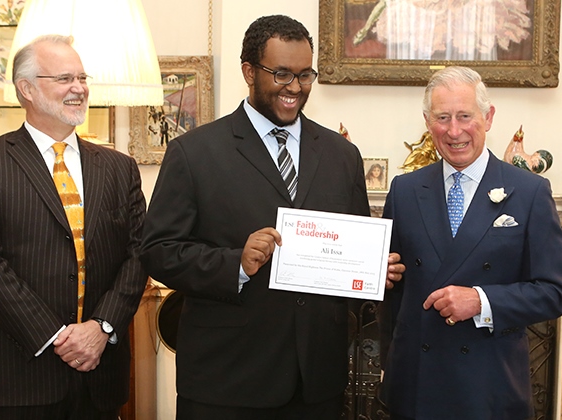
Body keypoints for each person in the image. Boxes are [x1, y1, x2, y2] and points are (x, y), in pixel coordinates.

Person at [140, 14, 404, 420]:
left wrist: (371, 273)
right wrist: (236, 264)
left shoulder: (341, 155)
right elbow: (158, 252)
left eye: (305, 75)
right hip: (226, 381)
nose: (295, 88)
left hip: (317, 380)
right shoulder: (194, 153)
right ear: (249, 71)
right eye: (281, 74)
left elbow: (349, 247)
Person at [0, 34, 147, 419]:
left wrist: (101, 327)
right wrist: (55, 336)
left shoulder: (118, 167)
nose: (79, 88)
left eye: (82, 78)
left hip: (99, 373)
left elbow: (140, 252)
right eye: (64, 79)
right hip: (15, 374)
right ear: (26, 89)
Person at [378, 66, 562, 420]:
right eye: (442, 118)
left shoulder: (529, 192)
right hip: (416, 384)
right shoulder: (404, 191)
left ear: (488, 117)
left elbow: (554, 292)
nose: (454, 131)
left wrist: (480, 301)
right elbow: (392, 295)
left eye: (465, 116)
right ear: (427, 121)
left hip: (489, 388)